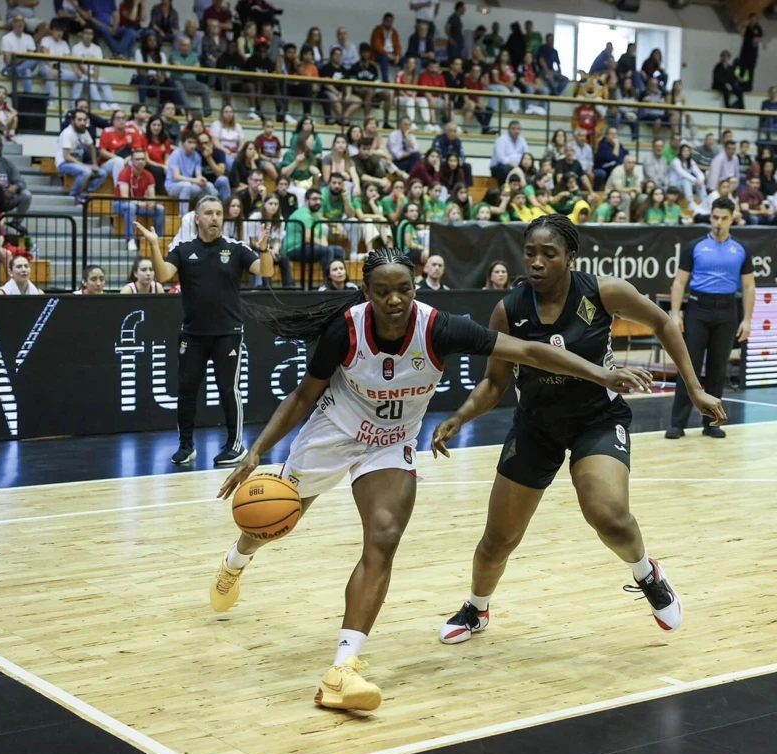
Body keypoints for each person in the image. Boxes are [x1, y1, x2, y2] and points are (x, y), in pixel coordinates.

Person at [210, 245, 653, 712]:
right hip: (334, 430)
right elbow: (302, 397)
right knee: (270, 520)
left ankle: (342, 669)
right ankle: (237, 560)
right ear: (367, 293)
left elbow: (527, 350)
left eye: (404, 289)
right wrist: (256, 451)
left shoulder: (438, 326)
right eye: (383, 292)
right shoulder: (346, 330)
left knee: (383, 536)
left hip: (390, 441)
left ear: (415, 287)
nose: (395, 300)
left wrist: (600, 373)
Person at [433, 214, 724, 647]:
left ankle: (648, 574)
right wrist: (460, 417)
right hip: (535, 426)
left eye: (548, 254)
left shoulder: (603, 291)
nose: (536, 262)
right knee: (498, 539)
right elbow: (495, 383)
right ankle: (477, 607)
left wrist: (695, 388)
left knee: (607, 515)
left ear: (570, 257)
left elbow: (663, 322)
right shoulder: (509, 309)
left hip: (597, 420)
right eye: (530, 253)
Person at [133, 196, 273, 466]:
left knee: (228, 389)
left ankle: (235, 446)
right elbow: (163, 276)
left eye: (219, 213)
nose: (215, 218)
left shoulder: (235, 248)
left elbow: (264, 271)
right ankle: (186, 446)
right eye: (209, 213)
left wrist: (264, 249)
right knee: (186, 390)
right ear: (197, 218)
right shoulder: (184, 249)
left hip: (228, 332)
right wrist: (153, 245)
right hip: (193, 333)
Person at [666, 197, 753, 439]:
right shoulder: (694, 246)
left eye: (724, 218)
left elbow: (748, 287)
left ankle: (712, 423)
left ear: (732, 219)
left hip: (727, 311)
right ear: (710, 217)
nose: (718, 222)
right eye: (715, 217)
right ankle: (677, 423)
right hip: (698, 309)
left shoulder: (741, 250)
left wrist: (747, 319)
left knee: (718, 368)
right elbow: (680, 282)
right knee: (689, 366)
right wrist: (675, 314)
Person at [739, 13, 764, 92]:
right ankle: (739, 86)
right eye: (752, 19)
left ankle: (749, 88)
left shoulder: (758, 28)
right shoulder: (746, 27)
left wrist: (759, 40)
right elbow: (742, 34)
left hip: (753, 53)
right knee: (742, 69)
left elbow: (761, 38)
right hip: (744, 52)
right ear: (749, 19)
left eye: (755, 19)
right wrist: (744, 26)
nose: (753, 20)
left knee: (751, 71)